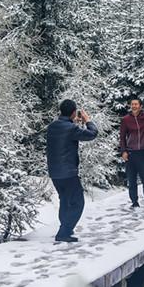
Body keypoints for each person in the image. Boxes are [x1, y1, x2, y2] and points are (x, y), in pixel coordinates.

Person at [46, 99, 98, 243]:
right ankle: (64, 232)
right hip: (68, 172)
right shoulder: (71, 129)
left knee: (65, 200)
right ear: (74, 112)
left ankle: (65, 229)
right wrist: (88, 121)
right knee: (78, 202)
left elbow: (66, 135)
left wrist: (74, 123)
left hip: (54, 172)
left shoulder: (52, 126)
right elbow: (92, 134)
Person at [118, 97, 144, 210]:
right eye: (132, 104)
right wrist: (123, 151)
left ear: (140, 106)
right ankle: (134, 202)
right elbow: (122, 137)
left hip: (143, 153)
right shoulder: (126, 119)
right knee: (132, 180)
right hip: (131, 153)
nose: (134, 106)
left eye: (136, 104)